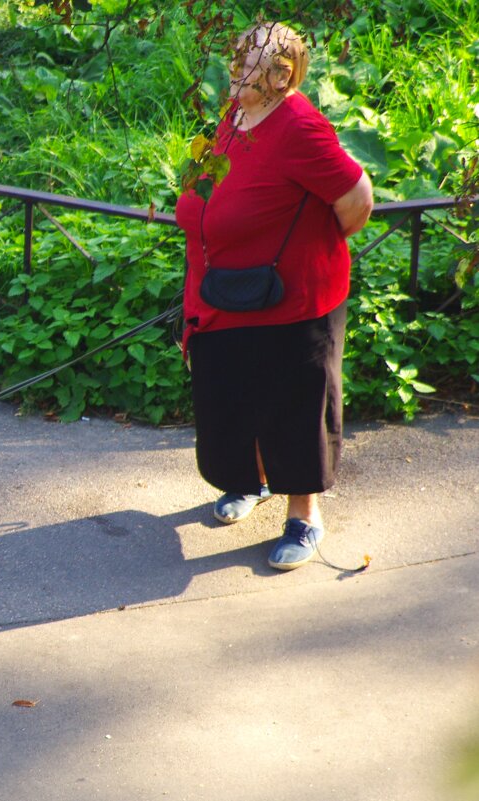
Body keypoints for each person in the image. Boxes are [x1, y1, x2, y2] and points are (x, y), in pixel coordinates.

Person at [175, 21, 374, 570]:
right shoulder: (236, 117)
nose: (235, 70)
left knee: (295, 404)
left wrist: (302, 248)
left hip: (293, 300)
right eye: (237, 58)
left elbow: (357, 198)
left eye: (249, 63)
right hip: (223, 291)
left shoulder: (299, 126)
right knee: (230, 394)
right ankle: (250, 480)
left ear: (283, 75)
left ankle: (304, 516)